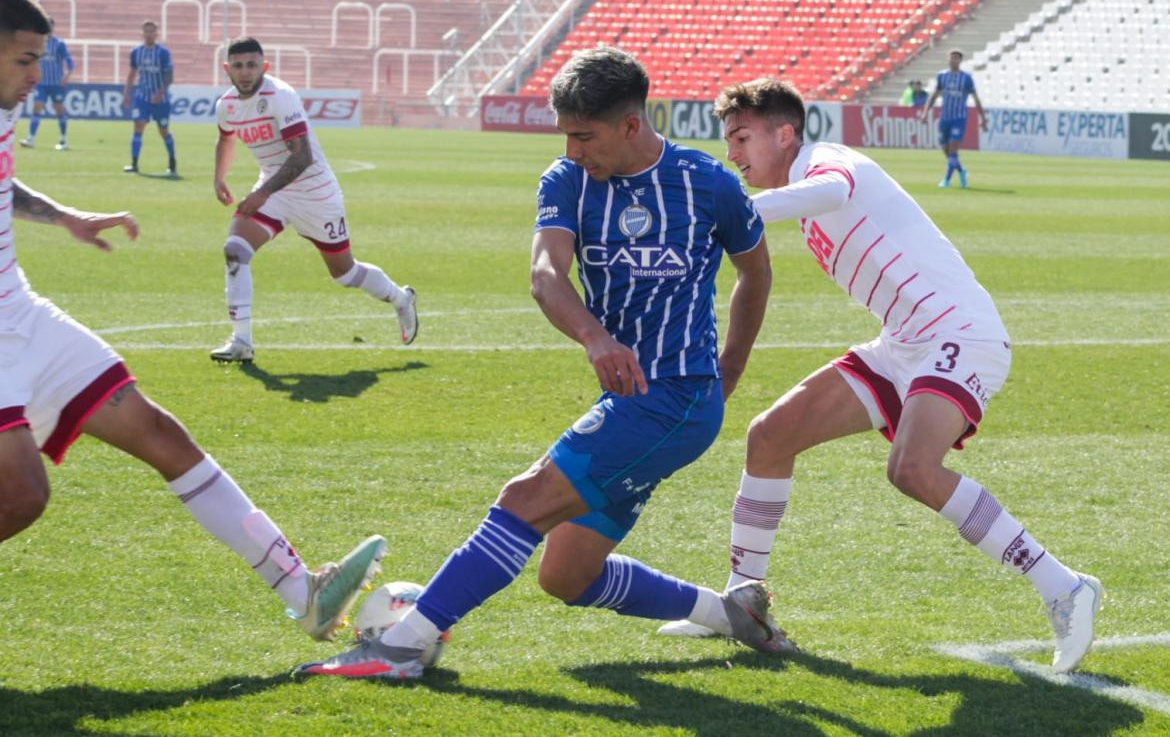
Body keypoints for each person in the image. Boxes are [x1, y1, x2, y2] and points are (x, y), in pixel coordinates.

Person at [295, 46, 784, 681]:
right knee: (567, 574)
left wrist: (731, 369)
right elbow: (546, 275)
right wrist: (595, 339)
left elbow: (757, 272)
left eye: (585, 136)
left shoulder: (707, 182)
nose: (574, 150)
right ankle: (732, 615)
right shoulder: (567, 181)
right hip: (631, 399)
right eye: (566, 136)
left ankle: (401, 647)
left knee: (525, 498)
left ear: (631, 125)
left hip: (677, 397)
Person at [655, 77, 1102, 675]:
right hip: (904, 344)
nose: (731, 153)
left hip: (959, 335)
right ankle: (745, 599)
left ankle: (1064, 585)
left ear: (785, 134)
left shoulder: (827, 161)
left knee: (912, 469)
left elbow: (830, 190)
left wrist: (732, 211)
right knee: (770, 435)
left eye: (740, 137)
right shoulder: (800, 179)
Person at [0, 0, 385, 645]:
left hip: (23, 311)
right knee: (23, 497)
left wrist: (64, 216)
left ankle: (306, 593)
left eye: (41, 59)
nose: (40, 74)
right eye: (26, 60)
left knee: (161, 433)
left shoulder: (4, 106)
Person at [209, 37, 417, 362]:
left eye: (252, 65)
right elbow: (225, 139)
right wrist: (219, 177)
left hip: (315, 192)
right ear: (227, 69)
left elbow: (302, 157)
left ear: (264, 66)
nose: (245, 72)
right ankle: (241, 342)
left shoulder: (280, 96)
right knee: (235, 251)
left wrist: (262, 193)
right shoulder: (226, 104)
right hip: (274, 189)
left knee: (344, 274)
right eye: (238, 66)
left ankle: (400, 298)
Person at [920, 49, 987, 188]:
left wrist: (983, 118)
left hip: (959, 118)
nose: (953, 60)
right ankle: (962, 171)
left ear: (960, 61)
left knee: (953, 150)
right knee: (945, 149)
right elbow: (934, 95)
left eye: (956, 58)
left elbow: (976, 98)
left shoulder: (966, 78)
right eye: (952, 57)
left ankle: (947, 180)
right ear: (948, 59)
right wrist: (926, 112)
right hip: (945, 118)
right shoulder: (942, 76)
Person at [121, 19, 176, 175]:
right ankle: (134, 163)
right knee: (138, 126)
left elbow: (169, 76)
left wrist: (160, 92)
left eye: (152, 31)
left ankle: (172, 162)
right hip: (142, 98)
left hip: (161, 100)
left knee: (163, 131)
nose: (149, 34)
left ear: (156, 33)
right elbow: (132, 74)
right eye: (147, 31)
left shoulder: (163, 53)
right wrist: (127, 93)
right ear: (142, 33)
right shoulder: (136, 52)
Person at [18, 15, 71, 150]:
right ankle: (31, 138)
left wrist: (67, 76)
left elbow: (70, 62)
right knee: (37, 108)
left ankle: (63, 140)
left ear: (53, 27)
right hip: (41, 84)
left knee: (59, 110)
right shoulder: (38, 43)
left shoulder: (59, 44)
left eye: (50, 26)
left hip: (56, 84)